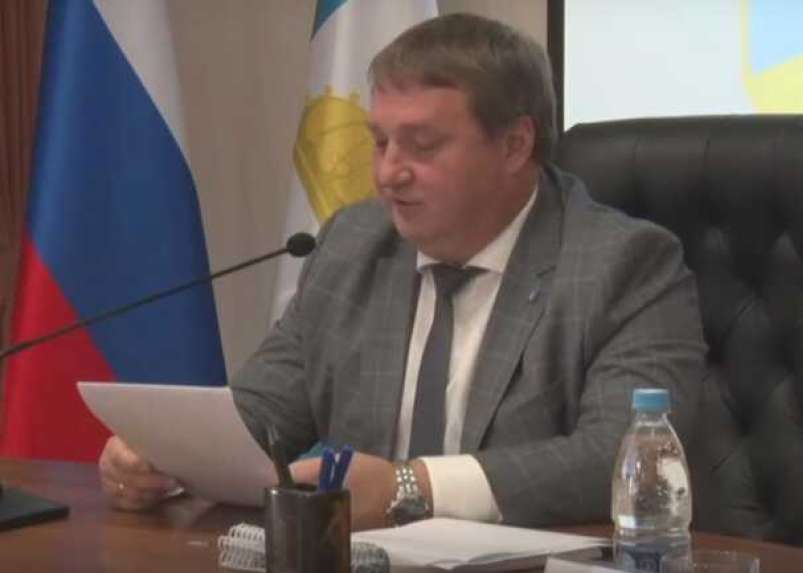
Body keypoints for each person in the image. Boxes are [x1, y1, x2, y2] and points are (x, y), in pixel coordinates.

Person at [99, 13, 705, 530]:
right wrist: (166, 456)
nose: (389, 173)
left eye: (422, 145)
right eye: (380, 142)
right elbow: (265, 411)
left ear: (515, 145)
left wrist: (408, 487)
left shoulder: (623, 265)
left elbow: (625, 458)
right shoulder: (353, 244)